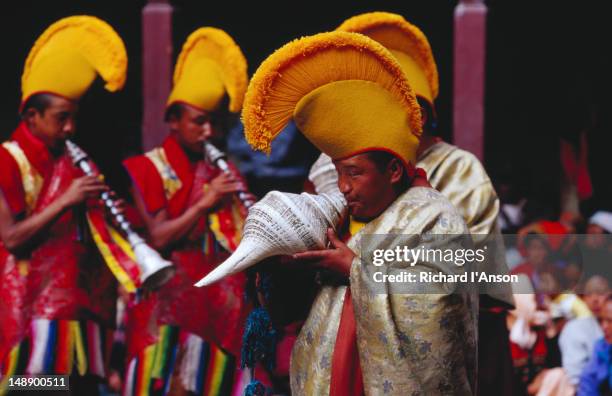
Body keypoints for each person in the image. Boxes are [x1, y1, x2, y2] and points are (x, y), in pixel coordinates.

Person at [242, 31, 476, 395]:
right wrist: (286, 269)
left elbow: (439, 309)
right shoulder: (345, 216)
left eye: (354, 173)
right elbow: (307, 307)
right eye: (338, 172)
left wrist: (353, 269)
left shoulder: (435, 218)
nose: (343, 186)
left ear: (394, 171)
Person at [334, 12, 515, 394]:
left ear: (421, 114)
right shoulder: (363, 162)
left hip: (458, 329)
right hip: (367, 324)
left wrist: (359, 265)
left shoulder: (459, 169)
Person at [0, 16, 129, 394]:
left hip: (78, 313)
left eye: (74, 118)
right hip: (27, 314)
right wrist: (67, 199)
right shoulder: (7, 159)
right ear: (30, 117)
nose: (71, 128)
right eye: (61, 119)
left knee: (77, 386)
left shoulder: (71, 162)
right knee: (34, 388)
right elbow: (11, 239)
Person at [122, 27, 251, 395]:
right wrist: (205, 202)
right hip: (168, 301)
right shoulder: (148, 168)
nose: (208, 131)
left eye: (213, 121)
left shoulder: (223, 171)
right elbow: (159, 236)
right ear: (173, 120)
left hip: (217, 304)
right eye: (198, 121)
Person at [578, 296, 612, 395]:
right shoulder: (601, 348)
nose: (604, 327)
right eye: (601, 320)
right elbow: (587, 384)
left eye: (610, 321)